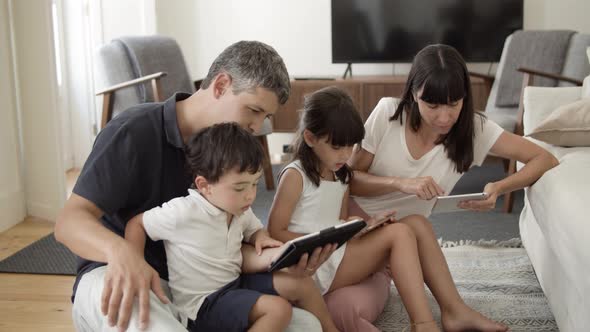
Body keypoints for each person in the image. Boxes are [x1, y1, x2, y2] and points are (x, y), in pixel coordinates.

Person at [55, 40, 335, 332]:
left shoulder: (230, 154)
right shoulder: (133, 132)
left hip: (199, 290)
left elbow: (227, 247)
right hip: (115, 272)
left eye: (265, 117)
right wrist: (122, 252)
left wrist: (279, 260)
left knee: (307, 326)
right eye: (253, 110)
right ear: (221, 85)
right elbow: (68, 222)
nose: (256, 126)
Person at [343, 44, 559, 331]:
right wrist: (401, 184)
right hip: (357, 230)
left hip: (398, 243)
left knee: (415, 225)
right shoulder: (388, 113)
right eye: (432, 105)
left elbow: (544, 158)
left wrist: (499, 186)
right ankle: (430, 320)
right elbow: (350, 181)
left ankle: (454, 311)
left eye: (454, 104)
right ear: (414, 94)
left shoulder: (474, 129)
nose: (444, 117)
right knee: (407, 230)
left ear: (464, 99)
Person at [124, 123, 339, 332]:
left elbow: (255, 230)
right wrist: (135, 264)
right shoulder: (182, 212)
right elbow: (138, 223)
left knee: (301, 282)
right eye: (240, 187)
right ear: (204, 186)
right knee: (279, 310)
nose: (251, 195)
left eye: (255, 184)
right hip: (203, 305)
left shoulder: (240, 208)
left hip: (235, 284)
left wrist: (260, 237)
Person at [267, 86, 442, 332]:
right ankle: (424, 325)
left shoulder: (341, 175)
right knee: (400, 234)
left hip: (334, 252)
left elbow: (338, 221)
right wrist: (317, 241)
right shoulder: (296, 175)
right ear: (310, 138)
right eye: (337, 147)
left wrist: (361, 227)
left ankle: (421, 320)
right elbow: (275, 231)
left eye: (350, 147)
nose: (346, 155)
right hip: (312, 265)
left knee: (402, 229)